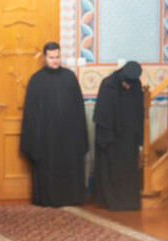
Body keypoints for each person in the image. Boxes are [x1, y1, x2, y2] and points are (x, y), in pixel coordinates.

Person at [20, 41, 88, 207]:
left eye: (57, 57)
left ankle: (71, 197)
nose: (55, 61)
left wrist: (80, 135)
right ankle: (47, 198)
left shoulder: (70, 78)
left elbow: (79, 109)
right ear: (45, 58)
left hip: (68, 137)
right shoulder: (36, 80)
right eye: (51, 57)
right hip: (46, 137)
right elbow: (31, 112)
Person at [92, 61, 144, 210]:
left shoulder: (136, 86)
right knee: (111, 170)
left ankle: (129, 202)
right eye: (126, 83)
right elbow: (102, 116)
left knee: (128, 172)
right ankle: (111, 201)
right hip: (111, 139)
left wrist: (138, 138)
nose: (128, 86)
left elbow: (139, 111)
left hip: (129, 139)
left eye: (130, 84)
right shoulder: (108, 85)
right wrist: (106, 138)